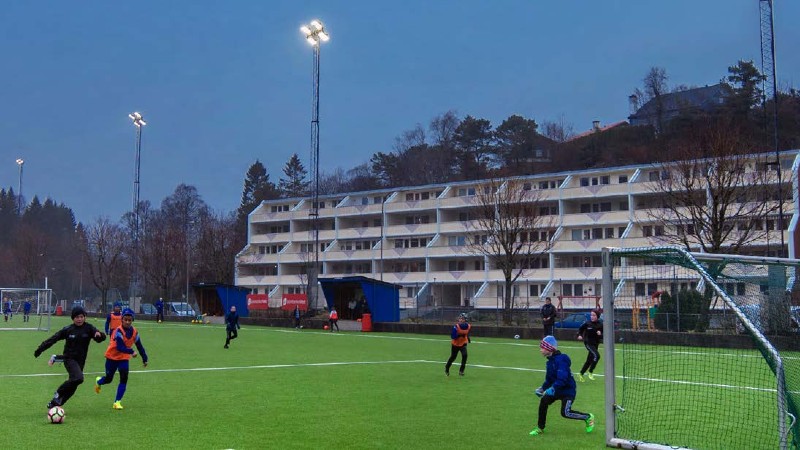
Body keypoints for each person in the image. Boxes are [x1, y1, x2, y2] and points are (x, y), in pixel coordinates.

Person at [34, 306, 106, 409]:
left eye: (81, 316)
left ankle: (56, 403)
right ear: (73, 318)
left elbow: (100, 338)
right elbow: (54, 339)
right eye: (77, 317)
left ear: (84, 317)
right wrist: (40, 349)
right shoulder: (68, 329)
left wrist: (100, 335)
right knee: (78, 378)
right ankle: (58, 393)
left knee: (74, 384)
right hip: (69, 359)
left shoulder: (89, 328)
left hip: (81, 360)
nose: (79, 319)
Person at [530, 336, 594, 437]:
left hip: (568, 391)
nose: (540, 350)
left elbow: (562, 379)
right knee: (544, 401)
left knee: (565, 412)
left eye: (542, 347)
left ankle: (587, 417)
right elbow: (549, 380)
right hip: (556, 389)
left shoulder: (561, 360)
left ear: (549, 348)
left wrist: (553, 388)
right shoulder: (550, 362)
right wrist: (542, 388)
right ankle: (540, 428)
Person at [95, 308, 148, 409]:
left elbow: (140, 346)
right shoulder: (117, 331)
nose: (127, 322)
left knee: (124, 379)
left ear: (132, 320)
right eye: (125, 320)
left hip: (123, 359)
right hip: (112, 357)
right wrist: (131, 351)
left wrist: (144, 358)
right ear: (122, 319)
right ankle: (99, 382)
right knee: (109, 379)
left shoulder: (135, 332)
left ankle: (117, 402)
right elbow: (120, 347)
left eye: (130, 320)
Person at [576, 310, 602, 382]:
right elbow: (580, 329)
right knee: (597, 356)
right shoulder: (587, 323)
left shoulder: (600, 324)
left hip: (596, 343)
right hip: (588, 343)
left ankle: (580, 374)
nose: (592, 317)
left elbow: (603, 334)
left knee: (589, 360)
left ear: (597, 316)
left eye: (594, 315)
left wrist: (600, 333)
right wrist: (579, 335)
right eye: (591, 315)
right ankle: (590, 371)